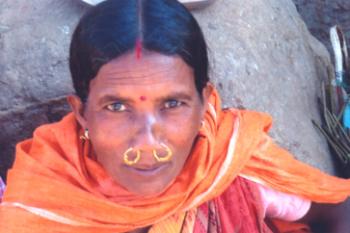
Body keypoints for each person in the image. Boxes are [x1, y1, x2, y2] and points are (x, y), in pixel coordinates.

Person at [0, 0, 350, 232]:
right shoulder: (43, 203)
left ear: (205, 104)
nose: (148, 141)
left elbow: (335, 209)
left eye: (172, 104)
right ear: (82, 115)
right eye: (117, 107)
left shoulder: (229, 163)